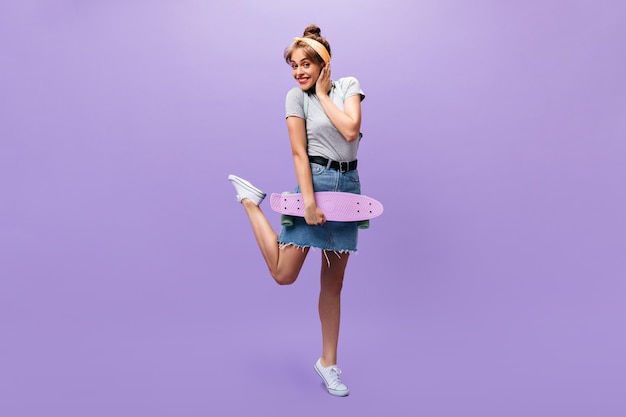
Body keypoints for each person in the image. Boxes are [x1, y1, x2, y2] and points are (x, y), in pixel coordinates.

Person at [228, 24, 365, 397]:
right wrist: (307, 201)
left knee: (333, 285)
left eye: (306, 63)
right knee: (283, 275)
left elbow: (351, 131)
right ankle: (249, 201)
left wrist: (323, 96)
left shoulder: (347, 86)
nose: (299, 71)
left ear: (325, 63)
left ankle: (328, 364)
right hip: (315, 186)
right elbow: (299, 153)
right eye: (293, 65)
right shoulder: (294, 98)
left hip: (348, 189)